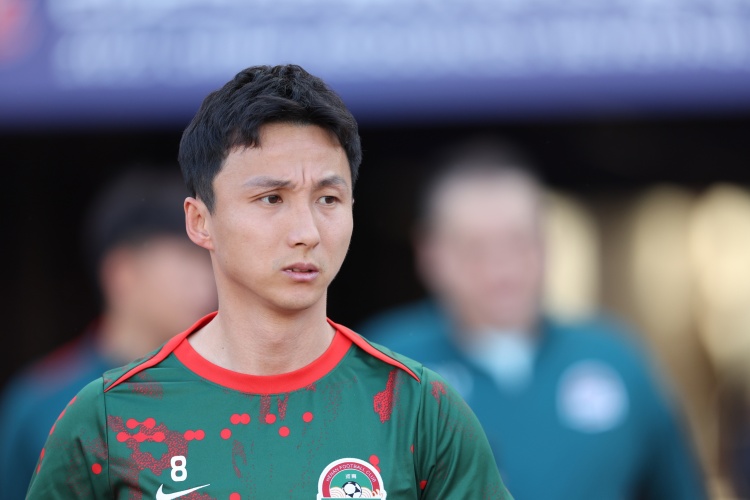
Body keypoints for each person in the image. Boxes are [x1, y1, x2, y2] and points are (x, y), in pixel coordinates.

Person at [25, 64, 513, 499]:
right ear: (200, 221)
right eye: (272, 199)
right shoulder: (109, 419)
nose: (307, 233)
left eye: (328, 199)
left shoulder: (419, 409)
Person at [357, 139, 710, 500]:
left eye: (518, 240)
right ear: (431, 253)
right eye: (474, 247)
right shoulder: (383, 365)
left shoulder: (617, 361)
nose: (501, 267)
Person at [0, 167, 218, 499]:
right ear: (123, 273)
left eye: (209, 262)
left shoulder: (227, 392)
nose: (207, 283)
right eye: (188, 261)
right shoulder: (42, 403)